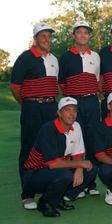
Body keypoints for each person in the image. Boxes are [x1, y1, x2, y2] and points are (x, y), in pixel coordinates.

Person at [10, 23, 59, 209]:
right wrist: (28, 103)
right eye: (43, 36)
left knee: (51, 147)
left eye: (49, 36)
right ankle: (27, 194)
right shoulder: (25, 58)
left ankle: (49, 189)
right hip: (32, 108)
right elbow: (15, 87)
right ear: (35, 38)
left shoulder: (54, 59)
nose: (47, 39)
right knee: (29, 149)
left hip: (51, 107)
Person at [23, 97, 97, 217]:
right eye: (67, 110)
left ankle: (58, 198)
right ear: (59, 113)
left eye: (74, 110)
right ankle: (45, 202)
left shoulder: (76, 126)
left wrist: (79, 168)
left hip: (56, 170)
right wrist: (81, 164)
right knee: (66, 175)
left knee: (91, 169)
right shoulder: (48, 129)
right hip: (34, 174)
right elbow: (53, 164)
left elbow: (78, 154)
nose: (71, 114)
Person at [59, 21, 101, 196]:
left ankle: (90, 182)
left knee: (91, 139)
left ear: (89, 35)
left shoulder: (96, 56)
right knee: (75, 138)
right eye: (79, 32)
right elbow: (62, 83)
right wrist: (71, 101)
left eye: (86, 32)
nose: (83, 35)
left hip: (91, 102)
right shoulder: (66, 57)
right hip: (74, 103)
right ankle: (76, 180)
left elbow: (98, 80)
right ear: (74, 35)